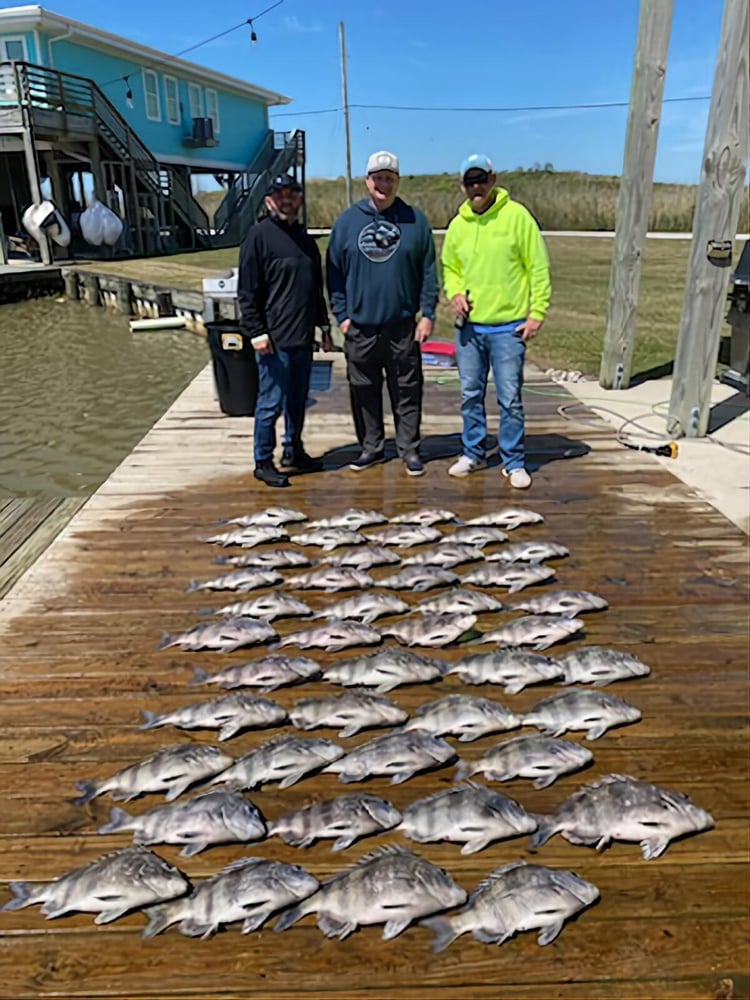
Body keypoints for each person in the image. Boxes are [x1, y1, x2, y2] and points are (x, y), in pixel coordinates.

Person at [441, 153, 551, 489]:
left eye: (482, 180)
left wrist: (537, 313)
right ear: (463, 186)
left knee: (510, 398)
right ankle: (473, 452)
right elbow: (451, 268)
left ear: (493, 179)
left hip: (508, 328)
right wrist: (455, 293)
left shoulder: (517, 217)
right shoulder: (458, 225)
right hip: (470, 328)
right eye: (470, 182)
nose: (476, 187)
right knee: (470, 394)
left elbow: (538, 266)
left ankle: (513, 461)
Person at [326, 150, 438, 476]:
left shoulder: (415, 221)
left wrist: (428, 313)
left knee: (406, 390)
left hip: (402, 326)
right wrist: (342, 316)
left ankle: (409, 449)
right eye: (378, 178)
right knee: (364, 391)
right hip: (360, 327)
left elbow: (429, 272)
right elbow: (333, 273)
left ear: (397, 182)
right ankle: (371, 447)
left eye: (389, 178)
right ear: (367, 181)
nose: (383, 184)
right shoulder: (348, 222)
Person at [237, 174, 332, 489]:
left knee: (297, 400)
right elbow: (247, 293)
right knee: (270, 403)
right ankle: (263, 461)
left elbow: (315, 288)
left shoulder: (305, 239)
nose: (286, 200)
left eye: (292, 195)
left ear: (299, 200)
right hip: (273, 341)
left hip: (303, 337)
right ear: (269, 201)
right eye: (280, 195)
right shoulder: (258, 237)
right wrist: (256, 332)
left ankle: (294, 450)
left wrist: (324, 326)